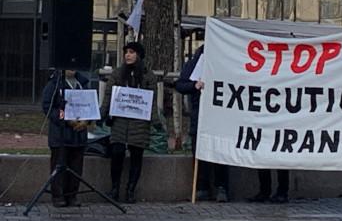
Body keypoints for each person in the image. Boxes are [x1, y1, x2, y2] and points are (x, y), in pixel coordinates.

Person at [100, 42, 161, 203]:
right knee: (117, 152)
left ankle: (130, 191)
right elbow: (108, 96)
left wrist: (155, 121)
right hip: (120, 120)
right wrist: (102, 115)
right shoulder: (118, 73)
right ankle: (114, 189)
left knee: (136, 155)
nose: (128, 55)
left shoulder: (148, 76)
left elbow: (152, 101)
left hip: (139, 122)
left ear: (139, 55)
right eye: (126, 52)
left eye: (132, 52)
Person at [175, 45, 229, 202]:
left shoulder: (225, 60)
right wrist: (194, 85)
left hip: (220, 116)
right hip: (199, 115)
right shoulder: (195, 62)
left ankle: (221, 187)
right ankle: (201, 188)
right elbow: (180, 84)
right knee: (199, 152)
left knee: (220, 153)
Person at [42, 70, 89, 207]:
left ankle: (72, 195)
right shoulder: (54, 83)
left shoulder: (83, 83)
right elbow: (48, 106)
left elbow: (90, 104)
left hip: (79, 135)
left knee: (76, 167)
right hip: (60, 135)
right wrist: (66, 119)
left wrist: (87, 120)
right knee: (59, 165)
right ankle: (58, 196)